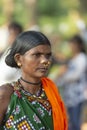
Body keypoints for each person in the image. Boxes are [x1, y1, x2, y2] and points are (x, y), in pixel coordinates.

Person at [0, 31, 68, 130]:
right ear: (19, 59)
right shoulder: (6, 94)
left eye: (48, 55)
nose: (45, 60)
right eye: (37, 55)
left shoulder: (51, 94)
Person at [56, 35, 87, 130]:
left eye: (74, 44)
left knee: (76, 123)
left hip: (78, 96)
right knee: (70, 123)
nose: (72, 46)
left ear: (80, 45)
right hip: (69, 97)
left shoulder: (82, 58)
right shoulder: (71, 59)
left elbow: (75, 75)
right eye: (71, 44)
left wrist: (62, 75)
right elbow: (60, 79)